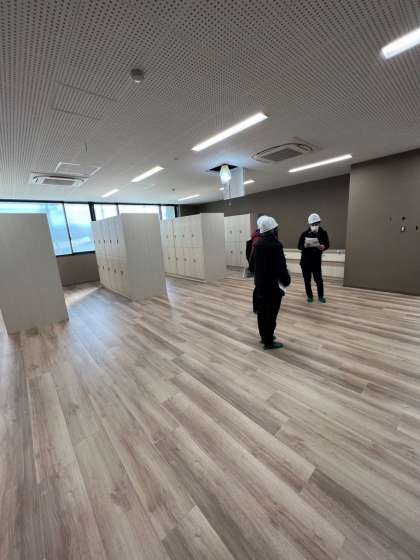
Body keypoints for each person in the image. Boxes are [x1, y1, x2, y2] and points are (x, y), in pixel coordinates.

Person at [254, 216, 290, 349]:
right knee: (271, 314)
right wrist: (286, 281)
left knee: (262, 312)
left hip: (260, 285)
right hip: (273, 287)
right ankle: (268, 342)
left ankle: (264, 336)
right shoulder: (276, 245)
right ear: (273, 230)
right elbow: (281, 267)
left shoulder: (257, 244)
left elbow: (253, 266)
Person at [297, 213, 330, 303]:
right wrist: (304, 245)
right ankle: (310, 296)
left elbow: (327, 244)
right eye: (313, 224)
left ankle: (321, 296)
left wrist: (323, 246)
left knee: (319, 280)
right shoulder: (304, 234)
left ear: (319, 223)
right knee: (307, 280)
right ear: (310, 224)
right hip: (305, 261)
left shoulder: (323, 233)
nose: (315, 225)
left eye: (316, 223)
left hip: (316, 261)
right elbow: (299, 246)